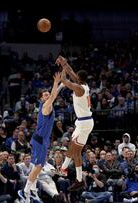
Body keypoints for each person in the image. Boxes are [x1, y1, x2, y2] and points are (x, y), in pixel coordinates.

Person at [18, 72, 64, 203]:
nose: (48, 95)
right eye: (45, 95)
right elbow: (54, 95)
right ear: (41, 98)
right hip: (39, 140)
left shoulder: (47, 104)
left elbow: (55, 93)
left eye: (48, 94)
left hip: (42, 140)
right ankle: (25, 191)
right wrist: (56, 83)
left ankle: (31, 192)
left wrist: (62, 83)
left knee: (38, 165)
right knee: (38, 166)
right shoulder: (45, 106)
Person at [55, 56, 94, 191]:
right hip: (86, 122)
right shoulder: (84, 85)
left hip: (83, 123)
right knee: (76, 151)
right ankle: (78, 179)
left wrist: (61, 73)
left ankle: (64, 169)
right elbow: (71, 72)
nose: (75, 76)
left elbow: (65, 81)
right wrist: (63, 62)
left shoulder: (79, 88)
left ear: (79, 78)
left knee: (72, 148)